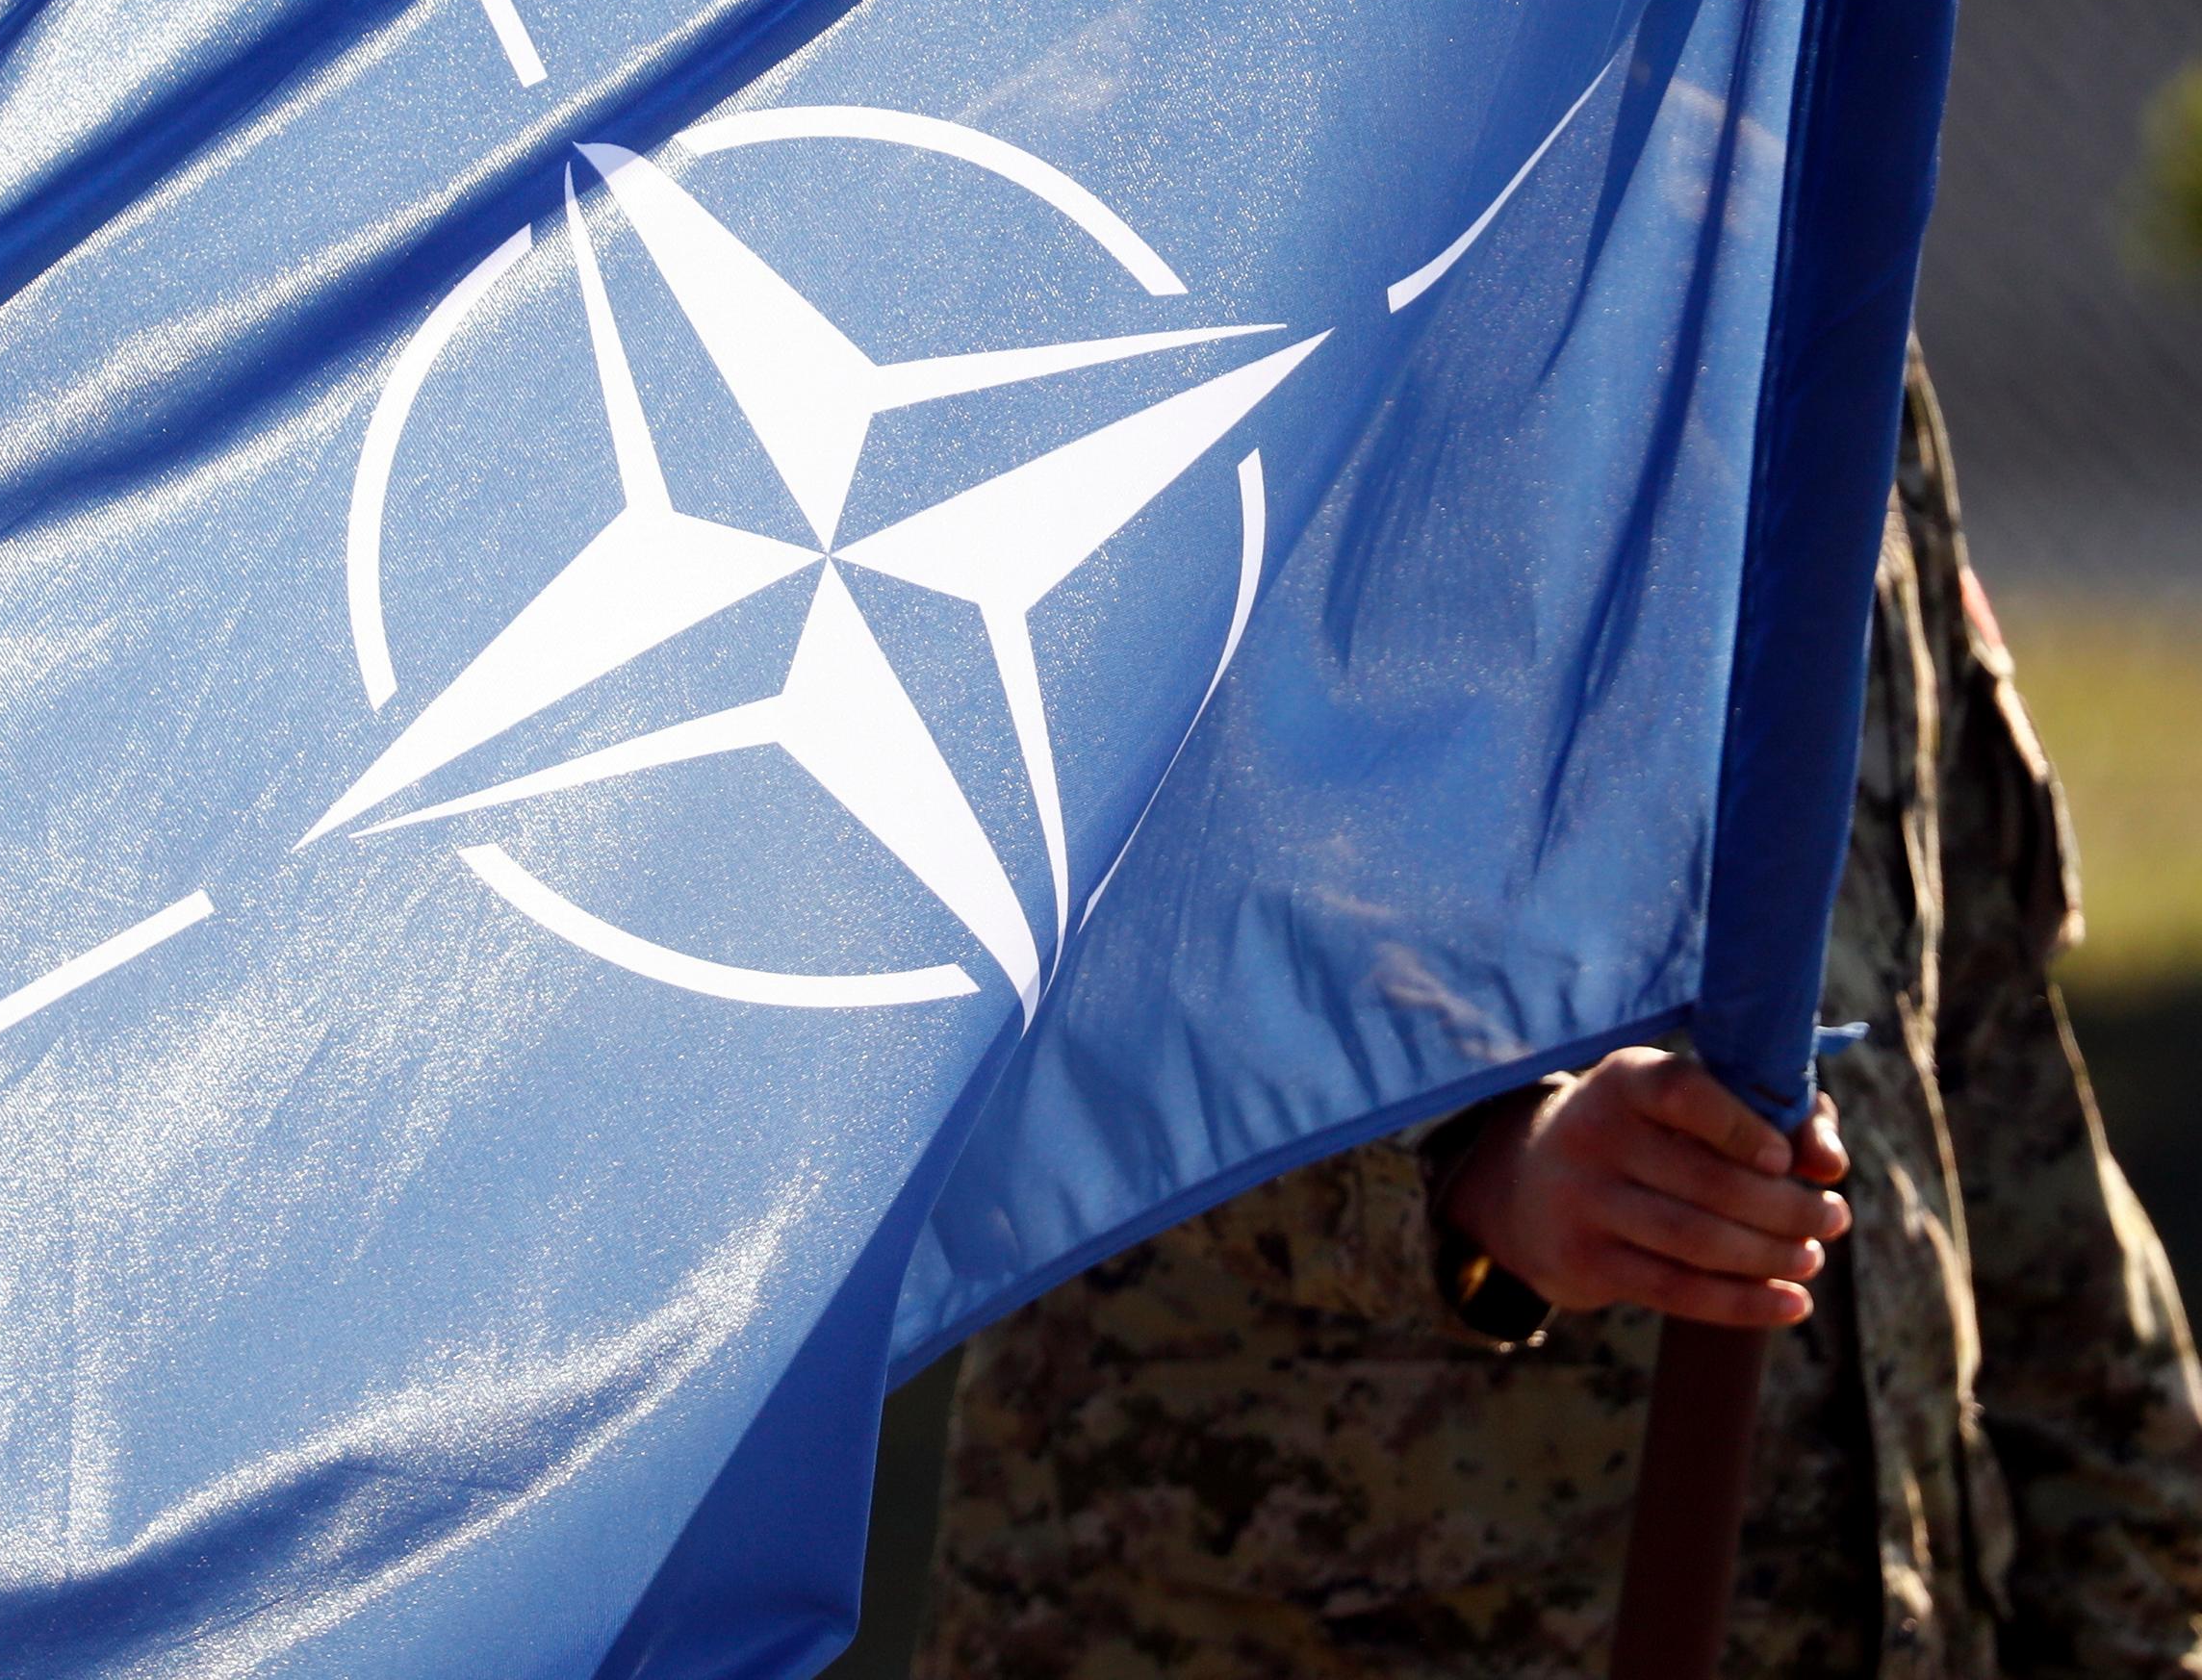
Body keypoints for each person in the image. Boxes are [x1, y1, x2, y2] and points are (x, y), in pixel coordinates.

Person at [917, 353, 2202, 1679]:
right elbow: (1014, 955)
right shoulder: (1224, 262)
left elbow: (1985, 1075)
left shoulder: (1822, 242)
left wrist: (2139, 1619)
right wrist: (1470, 1173)